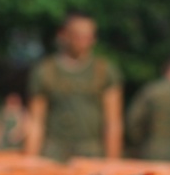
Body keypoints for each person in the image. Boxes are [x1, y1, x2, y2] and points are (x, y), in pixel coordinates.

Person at [25, 11, 123, 161]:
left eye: (89, 36)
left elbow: (113, 122)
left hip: (92, 155)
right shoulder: (46, 71)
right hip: (54, 154)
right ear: (63, 34)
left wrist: (112, 163)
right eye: (78, 36)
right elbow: (35, 122)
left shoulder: (104, 71)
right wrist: (30, 160)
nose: (84, 41)